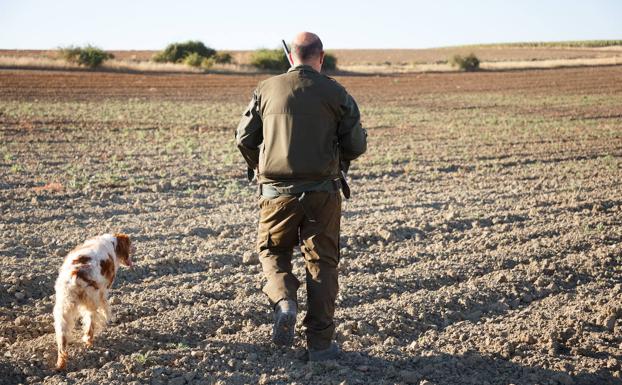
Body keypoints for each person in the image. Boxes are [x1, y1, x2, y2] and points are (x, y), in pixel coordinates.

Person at [236, 32, 367, 361]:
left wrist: (258, 169)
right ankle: (321, 346)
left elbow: (244, 139)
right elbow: (356, 145)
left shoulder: (266, 89)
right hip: (323, 194)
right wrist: (339, 160)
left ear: (291, 58)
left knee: (273, 251)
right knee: (322, 262)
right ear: (320, 58)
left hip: (276, 194)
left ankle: (284, 302)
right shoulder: (336, 92)